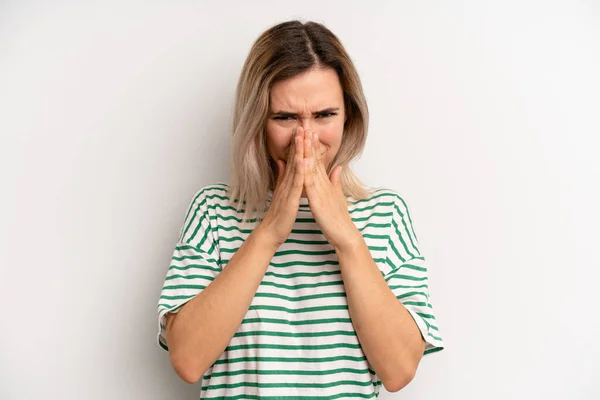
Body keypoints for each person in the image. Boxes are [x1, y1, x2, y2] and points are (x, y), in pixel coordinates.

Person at [156, 19, 444, 398]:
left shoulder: (385, 214)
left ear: (349, 117)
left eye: (324, 115)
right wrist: (270, 232)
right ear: (257, 121)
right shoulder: (213, 211)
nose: (304, 138)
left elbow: (399, 370)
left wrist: (347, 240)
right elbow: (188, 361)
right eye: (285, 118)